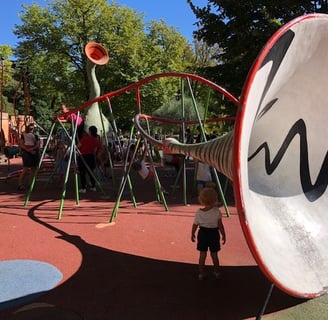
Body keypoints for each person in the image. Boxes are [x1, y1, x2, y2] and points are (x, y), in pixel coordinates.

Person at [191, 187, 226, 280]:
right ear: (215, 200)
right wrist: (223, 234)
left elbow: (195, 224)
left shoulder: (199, 212)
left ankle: (201, 273)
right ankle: (216, 271)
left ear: (201, 200)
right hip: (214, 233)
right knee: (214, 254)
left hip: (202, 233)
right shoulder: (217, 212)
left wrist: (192, 233)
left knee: (202, 254)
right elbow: (220, 225)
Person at [77, 125, 102, 193]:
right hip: (91, 156)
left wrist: (78, 144)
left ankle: (83, 188)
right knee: (91, 172)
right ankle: (93, 186)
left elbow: (78, 146)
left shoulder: (85, 138)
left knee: (82, 172)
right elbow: (99, 149)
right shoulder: (96, 140)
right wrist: (97, 156)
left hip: (83, 156)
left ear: (90, 131)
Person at [18, 123, 40, 191]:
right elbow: (21, 144)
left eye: (32, 128)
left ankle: (30, 184)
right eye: (31, 128)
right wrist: (29, 150)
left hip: (32, 152)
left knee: (33, 169)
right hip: (27, 152)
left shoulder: (35, 135)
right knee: (26, 168)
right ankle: (20, 184)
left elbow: (38, 144)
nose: (31, 129)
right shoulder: (23, 135)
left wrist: (31, 149)